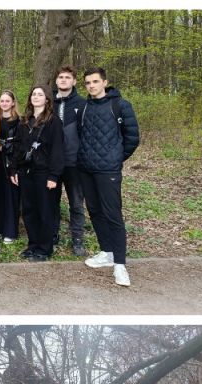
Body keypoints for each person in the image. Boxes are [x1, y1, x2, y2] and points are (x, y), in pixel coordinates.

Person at [77, 67, 140, 287]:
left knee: (112, 214)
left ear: (105, 82)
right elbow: (81, 135)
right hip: (86, 169)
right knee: (94, 211)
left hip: (108, 171)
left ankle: (120, 265)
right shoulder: (84, 107)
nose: (91, 86)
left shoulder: (120, 106)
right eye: (87, 83)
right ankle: (107, 252)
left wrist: (115, 158)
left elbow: (132, 138)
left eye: (95, 81)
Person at [8, 85, 65, 262]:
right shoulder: (25, 121)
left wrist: (54, 176)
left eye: (40, 94)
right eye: (34, 94)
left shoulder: (54, 122)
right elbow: (17, 147)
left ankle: (44, 248)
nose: (36, 97)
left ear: (47, 99)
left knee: (45, 211)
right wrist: (14, 169)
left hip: (44, 173)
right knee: (29, 210)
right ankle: (33, 245)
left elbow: (57, 150)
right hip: (26, 172)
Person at [52, 65, 88, 257]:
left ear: (74, 81)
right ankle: (53, 235)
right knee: (52, 202)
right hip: (52, 164)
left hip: (74, 163)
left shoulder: (82, 104)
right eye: (61, 77)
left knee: (76, 203)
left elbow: (87, 134)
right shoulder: (48, 102)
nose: (64, 80)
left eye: (67, 77)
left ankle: (77, 239)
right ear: (56, 80)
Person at [0, 91, 21, 244]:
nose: (4, 103)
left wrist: (5, 146)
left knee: (11, 196)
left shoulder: (19, 121)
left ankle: (10, 231)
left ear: (13, 103)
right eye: (2, 101)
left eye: (7, 101)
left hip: (11, 162)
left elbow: (20, 143)